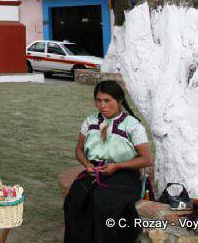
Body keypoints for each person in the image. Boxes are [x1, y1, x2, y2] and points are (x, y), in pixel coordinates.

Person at [63, 80, 153, 243]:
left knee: (105, 203)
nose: (102, 105)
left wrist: (117, 166)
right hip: (94, 171)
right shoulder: (90, 122)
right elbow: (79, 150)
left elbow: (146, 159)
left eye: (107, 100)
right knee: (74, 200)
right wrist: (87, 165)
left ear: (118, 101)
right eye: (98, 100)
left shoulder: (132, 126)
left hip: (124, 174)